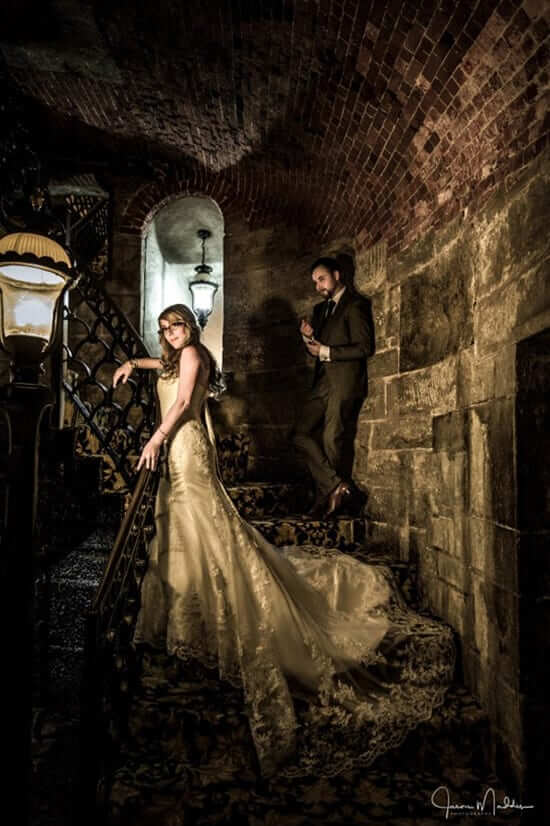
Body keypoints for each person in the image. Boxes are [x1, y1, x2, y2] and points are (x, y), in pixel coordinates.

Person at [112, 303, 455, 778]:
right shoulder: (175, 354)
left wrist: (154, 439)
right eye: (164, 328)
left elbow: (180, 399)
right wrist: (135, 363)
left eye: (178, 325)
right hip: (177, 453)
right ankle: (193, 619)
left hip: (185, 447)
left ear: (190, 326)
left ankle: (219, 615)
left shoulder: (193, 355)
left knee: (207, 532)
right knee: (184, 532)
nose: (171, 334)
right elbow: (165, 366)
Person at [294, 257, 375, 518]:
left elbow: (365, 347)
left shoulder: (356, 304)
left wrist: (325, 350)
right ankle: (336, 486)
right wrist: (308, 337)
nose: (318, 286)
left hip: (344, 381)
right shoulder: (320, 311)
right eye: (315, 282)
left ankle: (328, 500)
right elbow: (317, 351)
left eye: (322, 278)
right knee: (299, 433)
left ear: (337, 275)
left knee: (331, 438)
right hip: (321, 383)